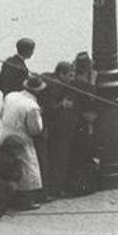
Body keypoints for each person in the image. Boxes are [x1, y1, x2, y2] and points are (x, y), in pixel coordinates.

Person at [0, 76, 47, 210]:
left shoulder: (11, 96)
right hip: (20, 137)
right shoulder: (32, 106)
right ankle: (25, 200)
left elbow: (0, 114)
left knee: (7, 165)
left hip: (4, 133)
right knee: (27, 168)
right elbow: (35, 129)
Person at [38, 61, 78, 198]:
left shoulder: (48, 78)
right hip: (56, 130)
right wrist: (62, 104)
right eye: (70, 76)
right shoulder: (57, 86)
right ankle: (55, 189)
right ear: (61, 74)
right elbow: (50, 109)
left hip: (49, 128)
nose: (72, 79)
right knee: (59, 159)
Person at [64, 52, 100, 195]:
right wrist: (92, 83)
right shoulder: (82, 83)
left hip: (74, 121)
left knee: (77, 154)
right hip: (82, 122)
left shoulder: (75, 80)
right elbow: (89, 100)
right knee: (83, 153)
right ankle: (83, 186)